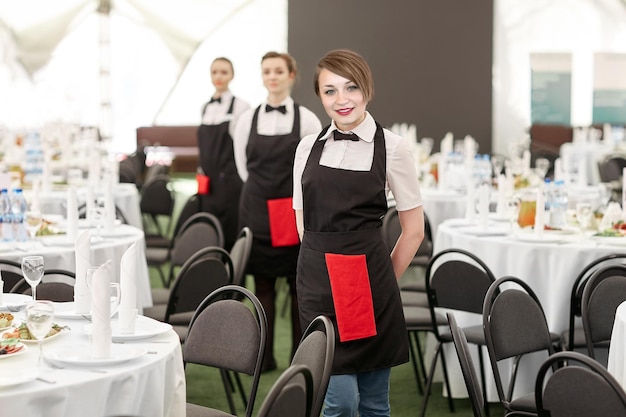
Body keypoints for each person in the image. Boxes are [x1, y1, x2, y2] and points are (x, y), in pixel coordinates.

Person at [292, 49, 424, 416]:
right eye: (330, 90)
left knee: (374, 402)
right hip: (318, 280)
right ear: (319, 97)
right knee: (338, 401)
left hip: (369, 282)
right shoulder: (306, 147)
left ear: (367, 88)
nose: (342, 99)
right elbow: (301, 221)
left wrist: (380, 282)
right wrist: (320, 266)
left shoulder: (394, 147)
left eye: (351, 87)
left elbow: (414, 230)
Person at [233, 51, 322, 371]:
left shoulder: (308, 119)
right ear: (262, 77)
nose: (272, 76)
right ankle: (263, 358)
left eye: (278, 71)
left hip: (291, 210)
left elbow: (311, 170)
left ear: (291, 75)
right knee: (263, 287)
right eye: (266, 71)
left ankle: (299, 360)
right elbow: (243, 167)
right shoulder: (246, 119)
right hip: (256, 209)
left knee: (298, 286)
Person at [197, 57, 251, 250]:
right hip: (207, 185)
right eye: (214, 72)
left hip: (230, 184)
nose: (219, 76)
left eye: (224, 72)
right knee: (209, 235)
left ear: (232, 75)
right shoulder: (205, 107)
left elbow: (246, 146)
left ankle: (234, 278)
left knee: (230, 236)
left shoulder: (241, 106)